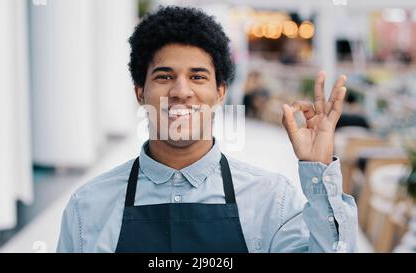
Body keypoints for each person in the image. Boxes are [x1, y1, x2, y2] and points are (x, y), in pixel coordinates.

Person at [57, 6, 357, 253]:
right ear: (139, 92)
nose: (181, 91)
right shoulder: (88, 207)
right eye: (164, 76)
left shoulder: (271, 201)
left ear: (221, 92)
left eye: (198, 77)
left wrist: (318, 172)